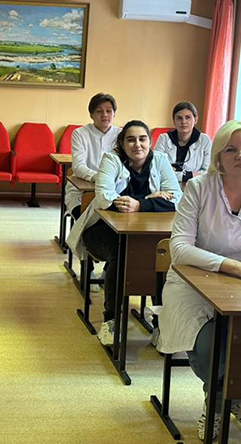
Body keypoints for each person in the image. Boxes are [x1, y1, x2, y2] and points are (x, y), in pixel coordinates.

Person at [158, 121, 241, 440]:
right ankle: (221, 398)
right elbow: (180, 249)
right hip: (195, 281)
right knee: (214, 342)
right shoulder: (199, 188)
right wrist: (236, 268)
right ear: (218, 157)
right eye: (230, 149)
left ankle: (235, 393)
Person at [68, 120, 182, 345]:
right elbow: (104, 198)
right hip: (101, 229)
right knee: (120, 254)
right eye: (131, 140)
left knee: (159, 257)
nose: (137, 144)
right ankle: (110, 320)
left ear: (150, 142)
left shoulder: (160, 160)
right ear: (121, 143)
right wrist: (151, 199)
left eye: (142, 139)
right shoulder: (111, 159)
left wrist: (139, 204)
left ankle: (160, 323)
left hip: (145, 231)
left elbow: (176, 198)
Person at [65, 93, 121, 220]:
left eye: (109, 111)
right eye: (99, 111)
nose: (104, 115)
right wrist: (100, 178)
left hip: (114, 189)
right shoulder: (80, 133)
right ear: (91, 115)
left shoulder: (121, 135)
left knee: (115, 218)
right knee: (84, 218)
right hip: (81, 190)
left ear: (114, 114)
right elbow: (78, 166)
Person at [154, 101, 212, 183]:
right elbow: (156, 168)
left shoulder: (204, 140)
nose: (183, 121)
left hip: (195, 186)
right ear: (174, 121)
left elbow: (208, 172)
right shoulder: (163, 138)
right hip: (167, 186)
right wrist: (188, 175)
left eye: (188, 117)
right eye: (179, 118)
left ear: (195, 120)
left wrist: (171, 172)